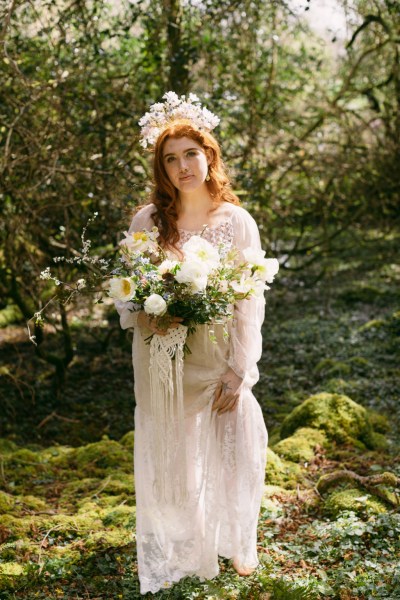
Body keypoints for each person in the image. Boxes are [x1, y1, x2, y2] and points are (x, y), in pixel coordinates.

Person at [114, 92, 268, 595]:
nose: (182, 166)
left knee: (232, 445)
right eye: (170, 158)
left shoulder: (236, 221)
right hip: (162, 355)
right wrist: (147, 316)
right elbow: (128, 295)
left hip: (217, 353)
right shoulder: (148, 223)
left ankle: (235, 543)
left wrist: (240, 368)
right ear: (161, 167)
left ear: (210, 157)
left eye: (190, 154)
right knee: (172, 451)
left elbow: (250, 301)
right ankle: (185, 546)